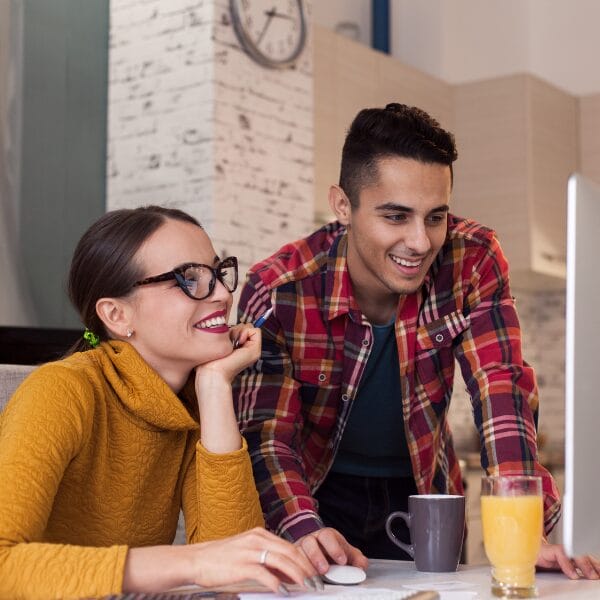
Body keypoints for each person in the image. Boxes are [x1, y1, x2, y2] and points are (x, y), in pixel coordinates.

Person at [234, 103, 600, 580]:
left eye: (435, 217)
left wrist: (526, 525)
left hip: (425, 495)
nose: (421, 242)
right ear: (343, 205)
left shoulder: (473, 258)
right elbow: (267, 437)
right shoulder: (280, 289)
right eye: (396, 216)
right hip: (314, 495)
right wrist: (301, 526)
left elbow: (501, 387)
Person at [0, 206, 319, 599]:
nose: (222, 294)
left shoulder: (187, 401)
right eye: (190, 278)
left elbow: (239, 578)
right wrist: (191, 563)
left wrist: (217, 386)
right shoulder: (61, 390)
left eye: (219, 273)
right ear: (117, 314)